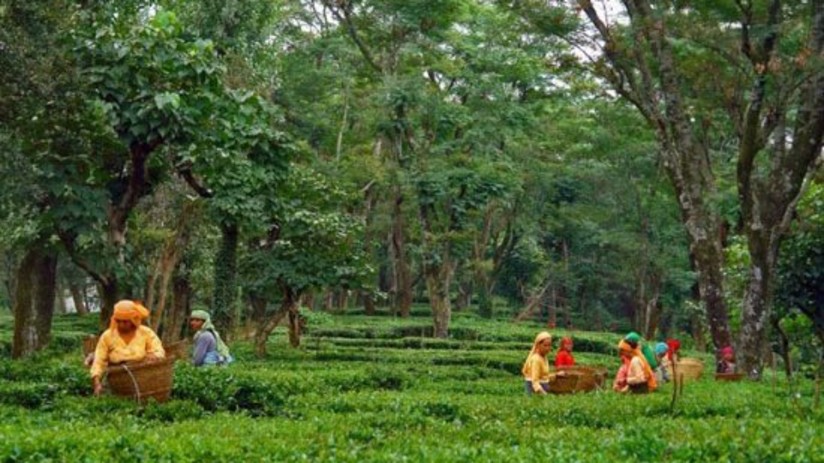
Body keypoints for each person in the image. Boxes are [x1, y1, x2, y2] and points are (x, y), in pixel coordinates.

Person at [90, 300, 165, 396]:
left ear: (133, 319)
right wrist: (96, 382)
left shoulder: (145, 333)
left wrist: (153, 356)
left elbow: (158, 349)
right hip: (116, 379)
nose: (121, 324)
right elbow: (99, 360)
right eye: (118, 321)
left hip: (143, 377)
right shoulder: (107, 336)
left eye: (125, 322)